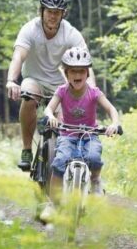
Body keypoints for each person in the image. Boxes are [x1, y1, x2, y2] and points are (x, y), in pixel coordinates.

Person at [6, 0, 94, 171]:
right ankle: (26, 149)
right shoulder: (30, 29)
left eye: (57, 12)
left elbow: (86, 65)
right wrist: (11, 80)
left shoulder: (71, 33)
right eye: (49, 11)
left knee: (65, 123)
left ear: (63, 14)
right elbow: (18, 57)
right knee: (28, 95)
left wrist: (91, 92)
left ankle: (61, 167)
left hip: (61, 85)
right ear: (42, 11)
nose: (53, 16)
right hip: (34, 79)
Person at [40, 47, 120, 221]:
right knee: (59, 162)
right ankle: (52, 204)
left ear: (87, 74)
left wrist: (114, 123)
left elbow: (111, 109)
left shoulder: (94, 93)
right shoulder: (62, 91)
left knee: (94, 157)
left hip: (90, 135)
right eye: (73, 71)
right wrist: (50, 116)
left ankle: (96, 182)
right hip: (68, 135)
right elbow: (48, 108)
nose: (78, 75)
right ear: (67, 73)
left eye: (82, 71)